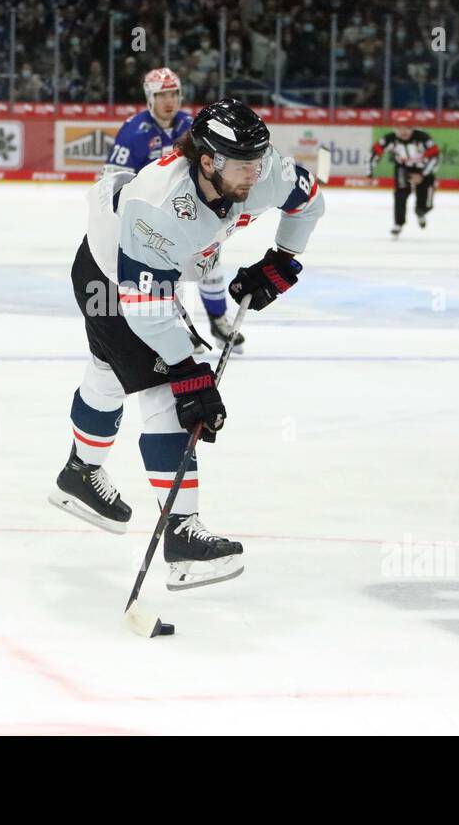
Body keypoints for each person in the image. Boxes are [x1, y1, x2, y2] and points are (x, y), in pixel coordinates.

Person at [48, 98, 324, 590]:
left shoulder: (262, 171)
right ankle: (181, 539)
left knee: (109, 372)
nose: (256, 174)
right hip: (110, 279)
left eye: (259, 161)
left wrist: (282, 261)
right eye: (244, 165)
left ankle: (78, 474)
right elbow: (145, 310)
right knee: (167, 396)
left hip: (142, 273)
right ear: (208, 161)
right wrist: (188, 374)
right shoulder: (158, 207)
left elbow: (309, 199)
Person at [102, 68, 244, 355]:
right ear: (149, 98)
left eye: (174, 94)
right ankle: (177, 328)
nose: (169, 101)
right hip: (151, 221)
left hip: (190, 213)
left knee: (210, 263)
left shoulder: (192, 126)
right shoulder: (132, 132)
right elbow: (112, 184)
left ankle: (218, 321)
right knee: (165, 273)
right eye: (162, 95)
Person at [368, 125, 440, 237]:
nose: (404, 132)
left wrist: (422, 174)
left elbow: (435, 156)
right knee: (400, 194)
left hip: (424, 169)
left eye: (407, 128)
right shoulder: (390, 138)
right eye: (400, 128)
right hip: (403, 168)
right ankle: (398, 223)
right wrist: (369, 172)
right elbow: (375, 152)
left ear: (413, 128)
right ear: (394, 129)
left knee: (427, 202)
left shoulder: (423, 137)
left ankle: (421, 211)